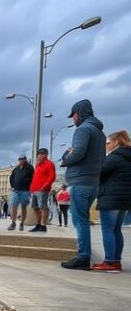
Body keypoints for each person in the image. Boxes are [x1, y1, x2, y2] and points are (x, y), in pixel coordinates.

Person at [59, 99, 106, 269]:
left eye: (74, 115)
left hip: (80, 181)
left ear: (80, 113)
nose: (73, 119)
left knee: (80, 221)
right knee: (83, 219)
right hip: (94, 181)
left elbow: (77, 154)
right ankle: (84, 255)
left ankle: (83, 257)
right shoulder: (100, 133)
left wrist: (65, 159)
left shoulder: (83, 130)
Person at [93, 130, 131, 272]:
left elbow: (99, 174)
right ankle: (116, 261)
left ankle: (109, 262)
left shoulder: (114, 158)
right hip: (124, 199)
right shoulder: (127, 157)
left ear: (116, 142)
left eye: (108, 143)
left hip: (110, 197)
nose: (106, 146)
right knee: (116, 230)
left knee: (108, 230)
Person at [29, 148, 56, 232]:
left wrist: (45, 186)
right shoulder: (37, 165)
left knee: (43, 207)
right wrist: (31, 188)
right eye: (38, 154)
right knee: (35, 207)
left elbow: (52, 176)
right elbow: (35, 178)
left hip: (42, 189)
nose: (39, 156)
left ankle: (43, 225)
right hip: (34, 189)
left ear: (46, 155)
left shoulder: (49, 164)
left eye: (41, 154)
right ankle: (38, 224)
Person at [8, 155, 34, 231]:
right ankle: (13, 223)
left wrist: (29, 185)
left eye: (22, 159)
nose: (21, 160)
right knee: (14, 206)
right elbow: (11, 177)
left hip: (25, 190)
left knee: (23, 207)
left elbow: (33, 177)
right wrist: (13, 185)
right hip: (16, 190)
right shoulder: (16, 169)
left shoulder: (29, 168)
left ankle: (22, 223)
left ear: (25, 160)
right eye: (20, 159)